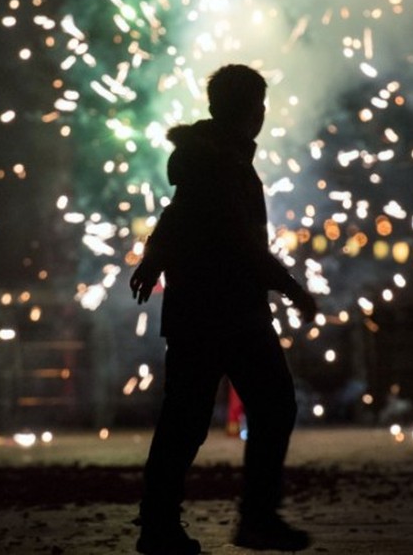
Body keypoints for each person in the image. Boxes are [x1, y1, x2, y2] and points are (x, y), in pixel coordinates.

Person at [129, 64, 319, 554]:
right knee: (271, 406)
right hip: (229, 310)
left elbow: (178, 214)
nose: (259, 114)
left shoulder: (208, 158)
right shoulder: (222, 164)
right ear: (248, 110)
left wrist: (154, 260)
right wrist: (293, 290)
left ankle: (159, 527)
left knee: (185, 420)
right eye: (256, 105)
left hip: (201, 310)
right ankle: (253, 519)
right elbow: (243, 244)